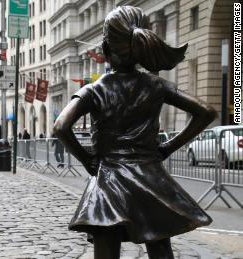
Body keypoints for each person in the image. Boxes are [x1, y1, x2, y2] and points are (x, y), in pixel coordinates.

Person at [53, 6, 216, 259]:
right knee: (160, 246)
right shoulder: (157, 85)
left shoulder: (94, 90)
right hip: (151, 177)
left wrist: (88, 161)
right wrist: (166, 148)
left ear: (106, 50)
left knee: (106, 245)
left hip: (108, 178)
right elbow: (206, 112)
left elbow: (61, 127)